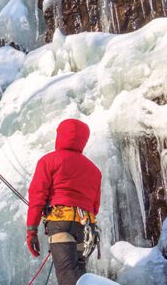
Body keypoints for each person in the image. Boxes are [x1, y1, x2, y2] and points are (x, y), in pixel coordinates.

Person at [26, 119, 102, 285]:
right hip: (85, 227)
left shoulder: (49, 161)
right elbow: (94, 207)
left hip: (60, 222)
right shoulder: (94, 170)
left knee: (67, 274)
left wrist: (31, 230)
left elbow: (37, 195)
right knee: (80, 275)